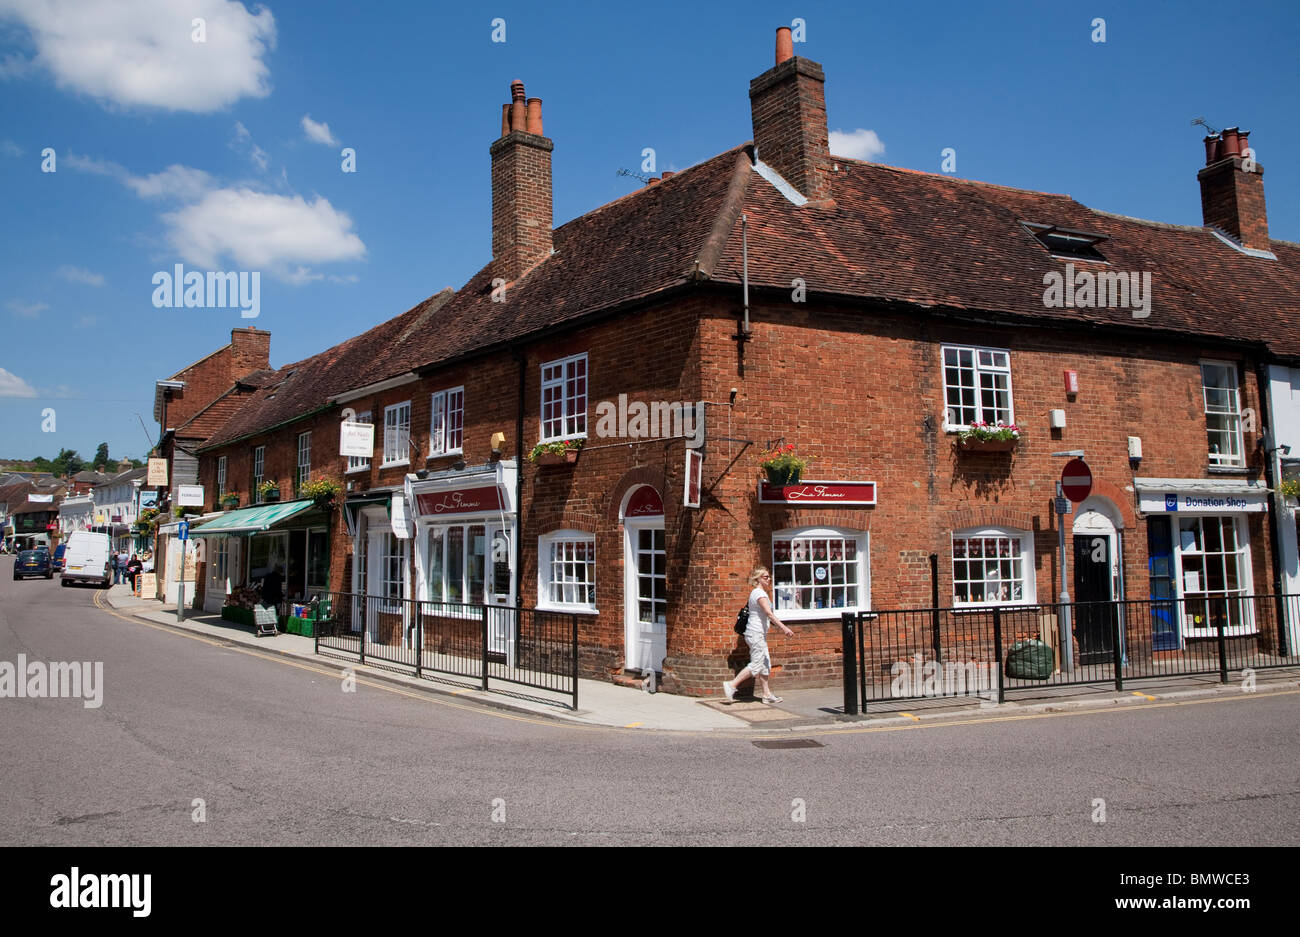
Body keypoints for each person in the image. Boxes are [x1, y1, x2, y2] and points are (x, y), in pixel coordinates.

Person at [723, 567, 794, 704]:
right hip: (756, 634)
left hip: (758, 634)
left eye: (769, 576)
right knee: (756, 664)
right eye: (765, 577)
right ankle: (731, 685)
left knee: (765, 663)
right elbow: (769, 614)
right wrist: (784, 628)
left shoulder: (759, 593)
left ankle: (767, 694)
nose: (769, 579)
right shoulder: (759, 594)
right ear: (758, 579)